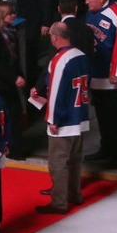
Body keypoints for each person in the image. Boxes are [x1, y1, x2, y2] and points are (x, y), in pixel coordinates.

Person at [34, 20, 92, 214]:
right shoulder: (81, 55)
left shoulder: (59, 60)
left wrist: (53, 119)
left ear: (55, 37)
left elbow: (57, 92)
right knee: (75, 160)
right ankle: (75, 194)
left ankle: (59, 202)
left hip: (64, 120)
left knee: (58, 162)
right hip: (80, 115)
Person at [82, 0, 117, 169]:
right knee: (102, 115)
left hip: (113, 78)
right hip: (96, 74)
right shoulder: (91, 12)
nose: (86, 2)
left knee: (115, 118)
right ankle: (105, 149)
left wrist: (116, 71)